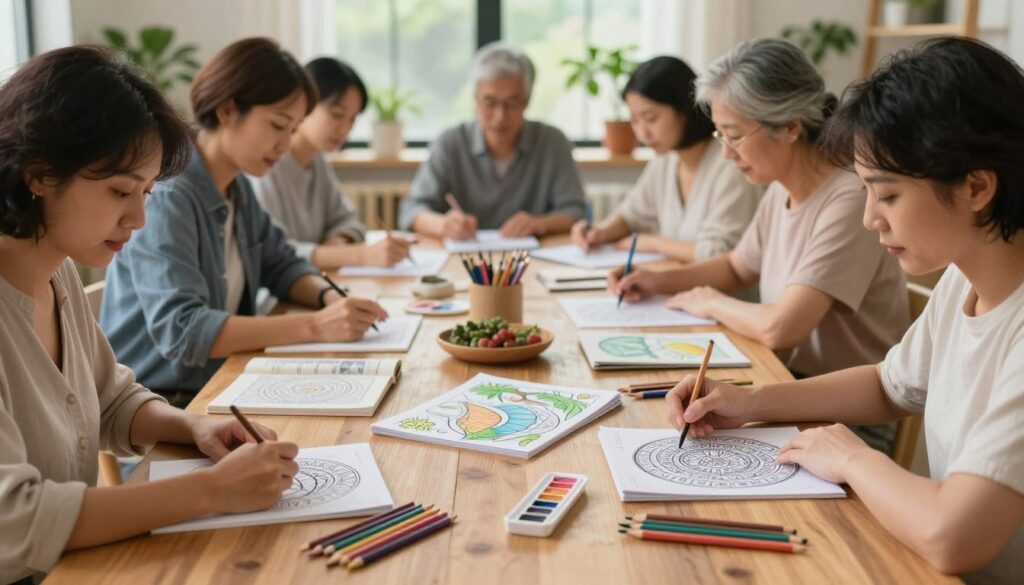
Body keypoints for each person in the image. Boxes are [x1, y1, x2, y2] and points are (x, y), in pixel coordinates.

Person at [665, 37, 1024, 584]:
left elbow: (953, 538)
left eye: (887, 195)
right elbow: (889, 385)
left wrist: (853, 458)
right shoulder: (963, 279)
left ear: (976, 186)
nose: (869, 220)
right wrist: (751, 401)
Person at [0, 46, 299, 584]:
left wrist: (195, 426)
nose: (138, 218)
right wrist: (211, 490)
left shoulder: (56, 267)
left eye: (146, 192)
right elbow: (12, 518)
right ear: (39, 175)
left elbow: (112, 399)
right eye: (119, 191)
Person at [610, 39, 908, 452]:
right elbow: (737, 267)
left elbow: (782, 328)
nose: (726, 154)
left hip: (844, 415)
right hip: (785, 386)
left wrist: (709, 301)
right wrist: (658, 281)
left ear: (789, 126)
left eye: (734, 136)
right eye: (719, 135)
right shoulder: (781, 187)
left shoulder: (849, 197)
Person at [102, 38, 388, 404]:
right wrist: (317, 325)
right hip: (165, 407)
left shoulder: (235, 185)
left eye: (294, 128)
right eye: (278, 125)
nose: (286, 143)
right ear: (226, 111)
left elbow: (280, 262)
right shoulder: (170, 195)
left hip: (221, 382)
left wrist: (331, 298)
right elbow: (184, 331)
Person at [570, 56, 760, 262]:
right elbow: (631, 215)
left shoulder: (732, 163)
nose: (642, 133)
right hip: (675, 284)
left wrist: (652, 242)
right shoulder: (666, 160)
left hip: (721, 292)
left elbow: (719, 254)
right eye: (634, 120)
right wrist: (599, 231)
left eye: (651, 118)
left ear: (684, 110)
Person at [398, 42, 586, 239]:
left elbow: (575, 211)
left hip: (530, 259)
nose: (500, 116)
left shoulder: (553, 142)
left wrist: (540, 224)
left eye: (512, 103)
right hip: (462, 259)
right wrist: (443, 225)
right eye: (490, 102)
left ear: (528, 100)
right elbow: (412, 209)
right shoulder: (450, 142)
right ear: (475, 100)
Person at [251, 57, 410, 269]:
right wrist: (355, 256)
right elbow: (273, 254)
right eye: (337, 114)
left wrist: (340, 242)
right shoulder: (267, 165)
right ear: (304, 104)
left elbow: (349, 219)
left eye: (352, 120)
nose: (344, 129)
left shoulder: (316, 161)